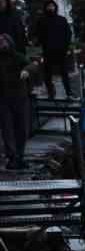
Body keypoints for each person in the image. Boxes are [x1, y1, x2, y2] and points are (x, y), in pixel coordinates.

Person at [0, 35, 32, 171]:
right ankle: (12, 157)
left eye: (4, 41)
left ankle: (20, 156)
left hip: (19, 97)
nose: (2, 44)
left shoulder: (18, 57)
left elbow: (31, 65)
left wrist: (26, 71)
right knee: (7, 129)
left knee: (22, 129)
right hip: (2, 99)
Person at [32, 1, 72, 99]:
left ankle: (69, 92)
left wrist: (65, 46)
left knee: (64, 72)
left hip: (61, 50)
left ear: (55, 7)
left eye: (52, 6)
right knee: (47, 73)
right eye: (49, 6)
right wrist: (40, 43)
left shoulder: (61, 20)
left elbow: (68, 34)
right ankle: (50, 92)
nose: (50, 8)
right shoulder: (41, 21)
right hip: (47, 50)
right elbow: (36, 34)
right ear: (46, 8)